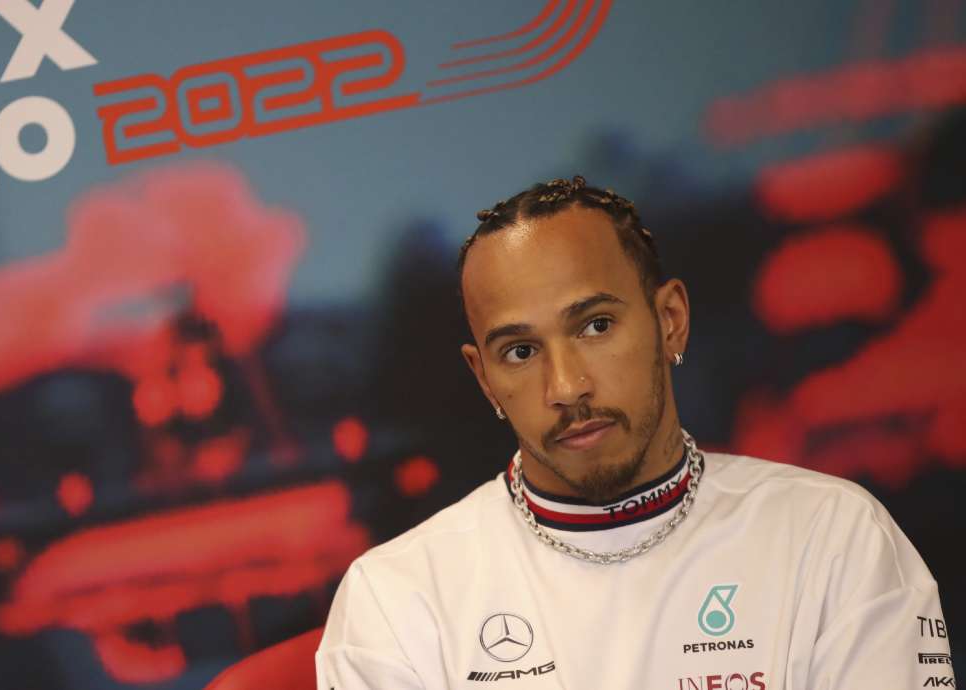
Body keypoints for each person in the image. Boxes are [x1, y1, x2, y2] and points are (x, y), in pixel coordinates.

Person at [315, 176, 955, 689]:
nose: (565, 386)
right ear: (484, 380)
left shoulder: (833, 536)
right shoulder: (396, 600)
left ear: (670, 319)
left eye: (594, 326)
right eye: (519, 351)